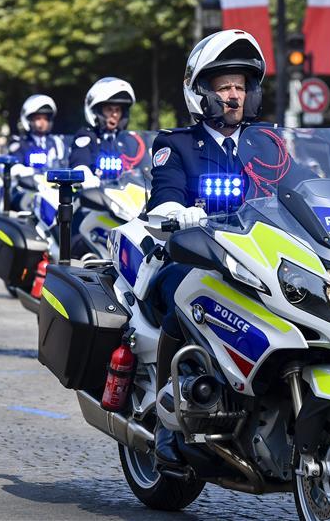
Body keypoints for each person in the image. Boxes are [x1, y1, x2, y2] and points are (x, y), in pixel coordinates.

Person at [144, 29, 267, 468]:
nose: (234, 96)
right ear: (201, 94)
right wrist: (181, 210)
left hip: (257, 263)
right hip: (190, 259)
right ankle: (167, 420)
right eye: (223, 88)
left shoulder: (270, 146)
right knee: (184, 295)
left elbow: (302, 188)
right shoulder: (176, 144)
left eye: (240, 86)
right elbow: (164, 198)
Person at [69, 77, 139, 189]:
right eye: (109, 109)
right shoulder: (87, 136)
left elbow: (144, 169)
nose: (115, 115)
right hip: (93, 198)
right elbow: (79, 162)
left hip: (125, 199)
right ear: (97, 111)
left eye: (118, 110)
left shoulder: (128, 140)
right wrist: (86, 178)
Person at [9, 94, 65, 167]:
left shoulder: (57, 143)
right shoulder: (20, 144)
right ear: (29, 120)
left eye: (46, 119)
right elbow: (16, 166)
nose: (42, 122)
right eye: (38, 118)